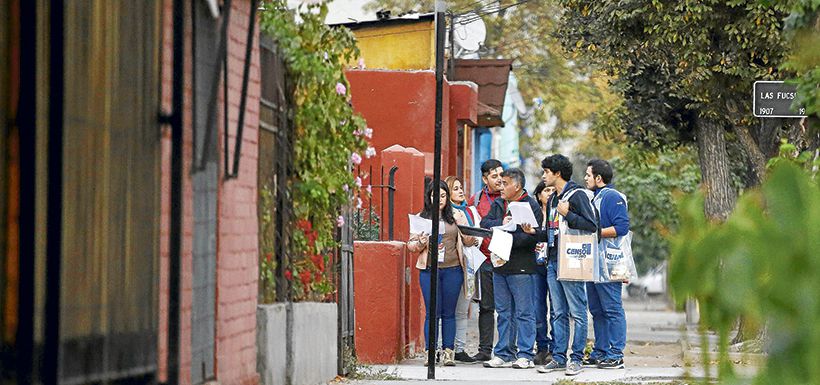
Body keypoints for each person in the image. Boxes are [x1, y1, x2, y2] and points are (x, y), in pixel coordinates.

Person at [524, 154, 597, 376]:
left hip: (573, 259)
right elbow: (553, 230)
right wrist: (535, 233)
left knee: (577, 310)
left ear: (557, 173)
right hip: (553, 260)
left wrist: (569, 214)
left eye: (546, 172)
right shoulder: (554, 198)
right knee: (558, 312)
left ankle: (576, 358)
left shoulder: (577, 195)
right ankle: (558, 357)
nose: (543, 175)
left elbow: (591, 225)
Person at [407, 180, 477, 366]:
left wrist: (470, 233)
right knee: (432, 313)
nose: (439, 199)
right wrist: (421, 242)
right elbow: (411, 246)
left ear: (447, 198)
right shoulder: (421, 218)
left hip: (453, 270)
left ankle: (448, 353)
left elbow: (469, 241)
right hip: (429, 271)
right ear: (429, 197)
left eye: (443, 195)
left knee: (449, 313)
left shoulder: (456, 216)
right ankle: (430, 352)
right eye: (435, 195)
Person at [480, 168, 543, 369]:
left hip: (522, 267)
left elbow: (532, 235)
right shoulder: (499, 204)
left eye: (505, 183)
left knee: (524, 312)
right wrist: (501, 223)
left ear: (517, 186)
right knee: (504, 312)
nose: (501, 186)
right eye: (499, 181)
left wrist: (506, 240)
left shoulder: (530, 205)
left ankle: (525, 354)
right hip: (500, 266)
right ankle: (503, 353)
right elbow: (485, 223)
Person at [583, 159, 630, 369]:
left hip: (611, 262)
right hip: (594, 262)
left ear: (598, 178)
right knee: (597, 309)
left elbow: (622, 227)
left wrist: (595, 233)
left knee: (612, 309)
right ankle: (600, 350)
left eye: (588, 175)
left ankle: (616, 353)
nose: (585, 178)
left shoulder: (612, 197)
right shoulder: (595, 197)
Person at [466, 159, 504, 361]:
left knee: (508, 308)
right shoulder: (476, 199)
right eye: (494, 176)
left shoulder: (511, 196)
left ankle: (508, 350)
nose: (499, 179)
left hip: (507, 260)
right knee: (487, 306)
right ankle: (484, 350)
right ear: (484, 178)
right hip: (485, 259)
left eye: (501, 174)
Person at [445, 176, 482, 363]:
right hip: (453, 264)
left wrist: (475, 239)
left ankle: (460, 348)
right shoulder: (447, 213)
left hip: (470, 264)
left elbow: (477, 232)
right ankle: (444, 348)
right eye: (455, 188)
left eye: (461, 188)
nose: (461, 191)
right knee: (447, 310)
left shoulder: (469, 212)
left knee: (463, 309)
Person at [531, 181, 556, 365]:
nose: (550, 193)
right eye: (546, 190)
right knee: (538, 309)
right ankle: (541, 346)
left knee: (557, 309)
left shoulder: (559, 212)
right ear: (539, 195)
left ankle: (556, 349)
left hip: (555, 264)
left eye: (553, 190)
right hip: (536, 266)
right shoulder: (534, 214)